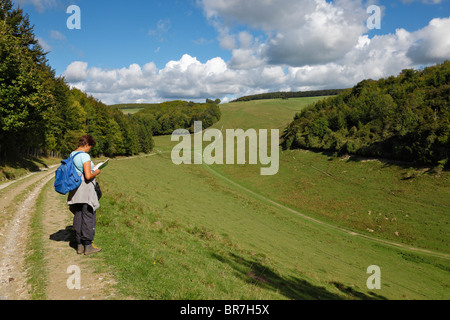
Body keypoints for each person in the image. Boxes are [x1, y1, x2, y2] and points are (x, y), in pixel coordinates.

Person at [67, 135, 102, 255]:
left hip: (75, 188)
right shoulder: (84, 156)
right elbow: (88, 175)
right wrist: (96, 171)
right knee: (88, 215)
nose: (89, 150)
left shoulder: (72, 154)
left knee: (78, 215)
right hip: (85, 189)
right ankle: (88, 246)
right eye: (90, 147)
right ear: (87, 144)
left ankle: (79, 245)